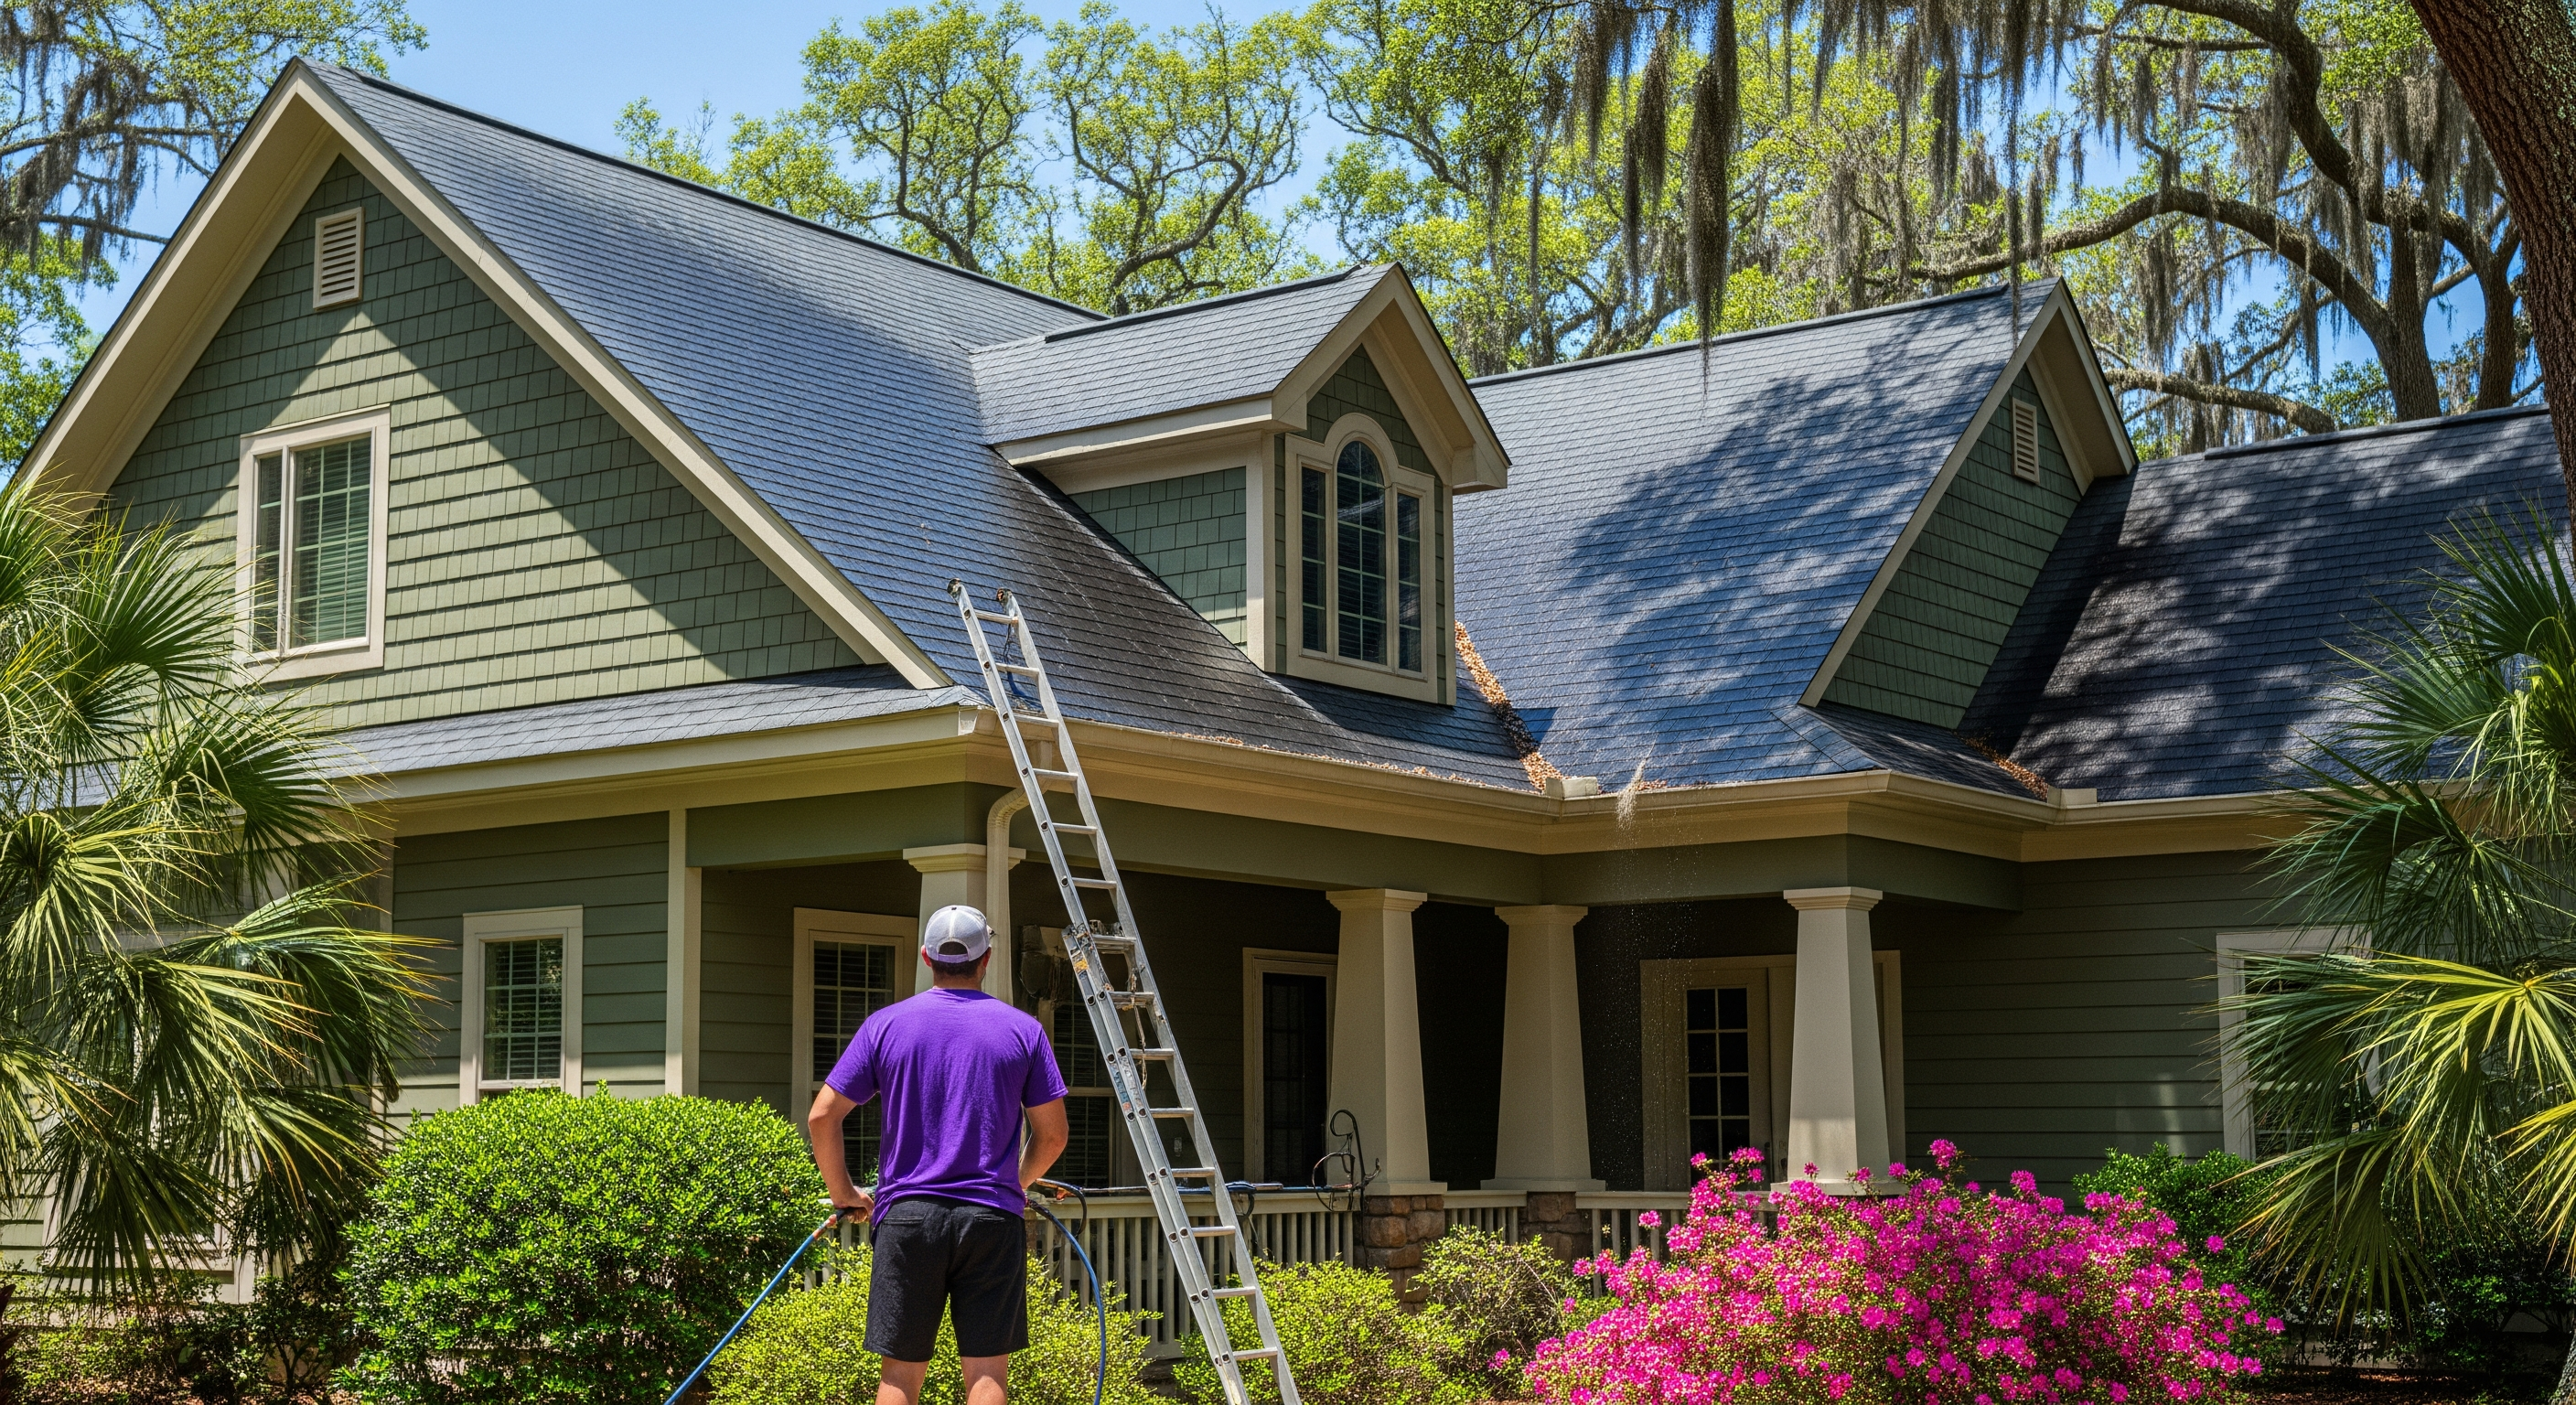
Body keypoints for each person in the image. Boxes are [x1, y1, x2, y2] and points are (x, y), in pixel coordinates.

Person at [809, 904, 1070, 1405]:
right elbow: (1053, 1136)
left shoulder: (885, 1026)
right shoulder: (1023, 1031)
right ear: (987, 958)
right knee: (988, 1371)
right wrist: (1014, 1184)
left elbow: (823, 1116)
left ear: (927, 956)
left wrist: (843, 1193)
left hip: (907, 1220)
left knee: (900, 1377)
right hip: (990, 1219)